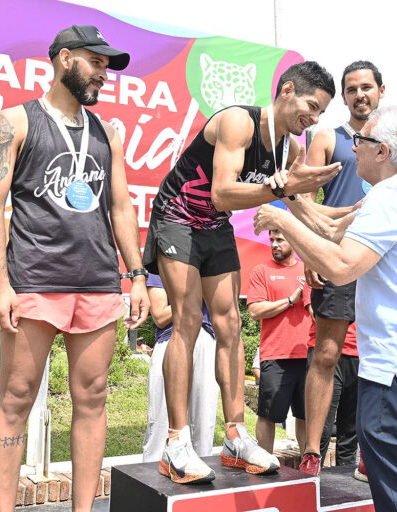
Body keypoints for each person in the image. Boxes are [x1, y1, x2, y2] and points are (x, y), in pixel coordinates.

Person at [143, 60, 341, 483]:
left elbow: (301, 207)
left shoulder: (293, 148)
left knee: (230, 324)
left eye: (322, 112)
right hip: (177, 215)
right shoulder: (239, 122)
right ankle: (176, 442)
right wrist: (282, 187)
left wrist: (340, 220)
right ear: (287, 90)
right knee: (187, 320)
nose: (314, 117)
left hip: (212, 226)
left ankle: (235, 436)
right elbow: (221, 193)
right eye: (311, 105)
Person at [0, 25, 149, 512]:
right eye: (97, 62)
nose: (104, 74)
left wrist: (135, 275)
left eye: (108, 66)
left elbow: (121, 207)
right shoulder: (15, 121)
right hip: (34, 279)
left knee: (93, 397)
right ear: (65, 58)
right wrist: (0, 285)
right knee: (15, 399)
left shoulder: (107, 132)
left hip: (97, 283)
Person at [254, 106, 397, 511]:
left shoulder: (390, 198)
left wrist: (280, 220)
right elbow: (330, 228)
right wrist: (287, 196)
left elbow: (341, 267)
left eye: (361, 142)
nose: (353, 149)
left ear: (383, 152)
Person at [297, 60, 385, 475]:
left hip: (381, 261)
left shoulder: (392, 141)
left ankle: (371, 453)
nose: (359, 95)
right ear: (344, 97)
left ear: (381, 91)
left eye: (366, 87)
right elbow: (304, 199)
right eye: (351, 89)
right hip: (336, 258)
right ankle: (312, 451)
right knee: (327, 354)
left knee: (378, 357)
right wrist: (310, 253)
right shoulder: (326, 138)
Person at [247, 229, 312, 455]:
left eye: (280, 240)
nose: (274, 244)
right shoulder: (261, 271)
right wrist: (289, 300)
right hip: (275, 355)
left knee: (306, 415)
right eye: (271, 240)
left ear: (293, 240)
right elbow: (255, 311)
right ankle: (263, 461)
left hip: (308, 355)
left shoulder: (308, 269)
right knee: (268, 415)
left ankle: (308, 468)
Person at [142, 272, 218, 464]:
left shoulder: (210, 267)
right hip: (170, 338)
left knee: (203, 421)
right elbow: (159, 316)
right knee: (160, 421)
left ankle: (202, 480)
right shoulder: (158, 269)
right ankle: (151, 477)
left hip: (205, 338)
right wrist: (194, 292)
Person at [306, 321, 358, 468]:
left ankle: (345, 483)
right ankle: (310, 477)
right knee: (320, 429)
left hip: (360, 353)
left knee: (350, 432)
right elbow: (315, 310)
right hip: (326, 352)